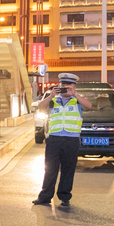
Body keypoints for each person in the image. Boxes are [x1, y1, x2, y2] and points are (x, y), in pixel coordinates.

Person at [32, 73, 92, 208]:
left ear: (74, 87)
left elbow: (89, 105)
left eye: (68, 86)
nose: (65, 89)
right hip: (54, 139)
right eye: (63, 86)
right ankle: (45, 197)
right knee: (50, 169)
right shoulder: (53, 100)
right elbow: (40, 107)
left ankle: (64, 197)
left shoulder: (77, 100)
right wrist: (51, 95)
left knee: (68, 169)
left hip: (71, 140)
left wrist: (75, 94)